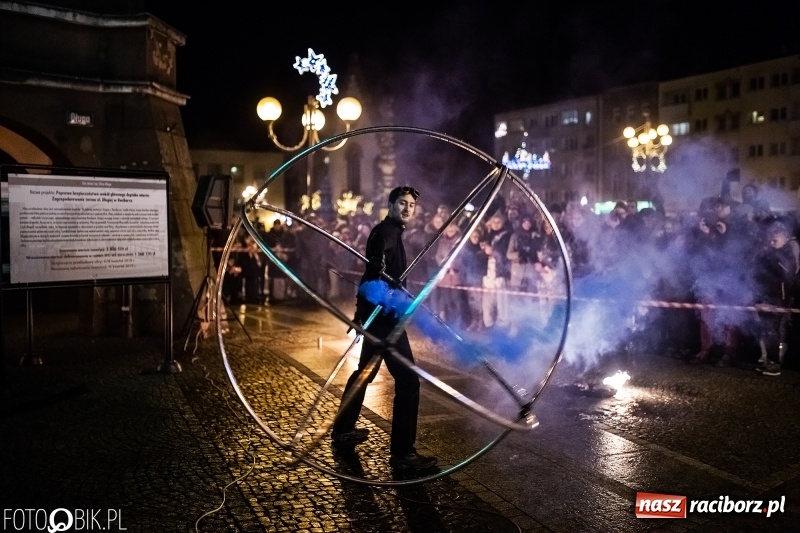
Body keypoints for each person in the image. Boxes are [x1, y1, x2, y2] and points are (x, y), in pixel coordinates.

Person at [331, 186, 437, 471]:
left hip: (379, 315)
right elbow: (373, 270)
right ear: (390, 204)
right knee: (408, 380)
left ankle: (342, 429)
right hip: (385, 318)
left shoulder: (393, 231)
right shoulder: (385, 232)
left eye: (412, 205)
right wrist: (378, 276)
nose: (407, 209)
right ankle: (403, 454)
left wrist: (362, 310)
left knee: (366, 371)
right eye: (402, 203)